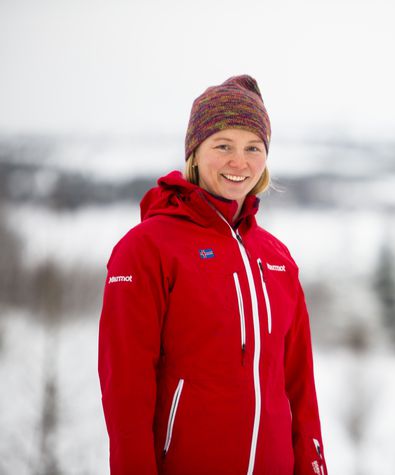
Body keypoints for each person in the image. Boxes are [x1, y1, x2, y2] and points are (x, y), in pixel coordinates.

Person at [98, 75, 328, 475]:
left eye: (253, 148)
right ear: (194, 152)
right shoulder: (145, 249)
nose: (240, 163)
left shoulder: (277, 259)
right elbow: (126, 392)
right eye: (223, 146)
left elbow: (300, 388)